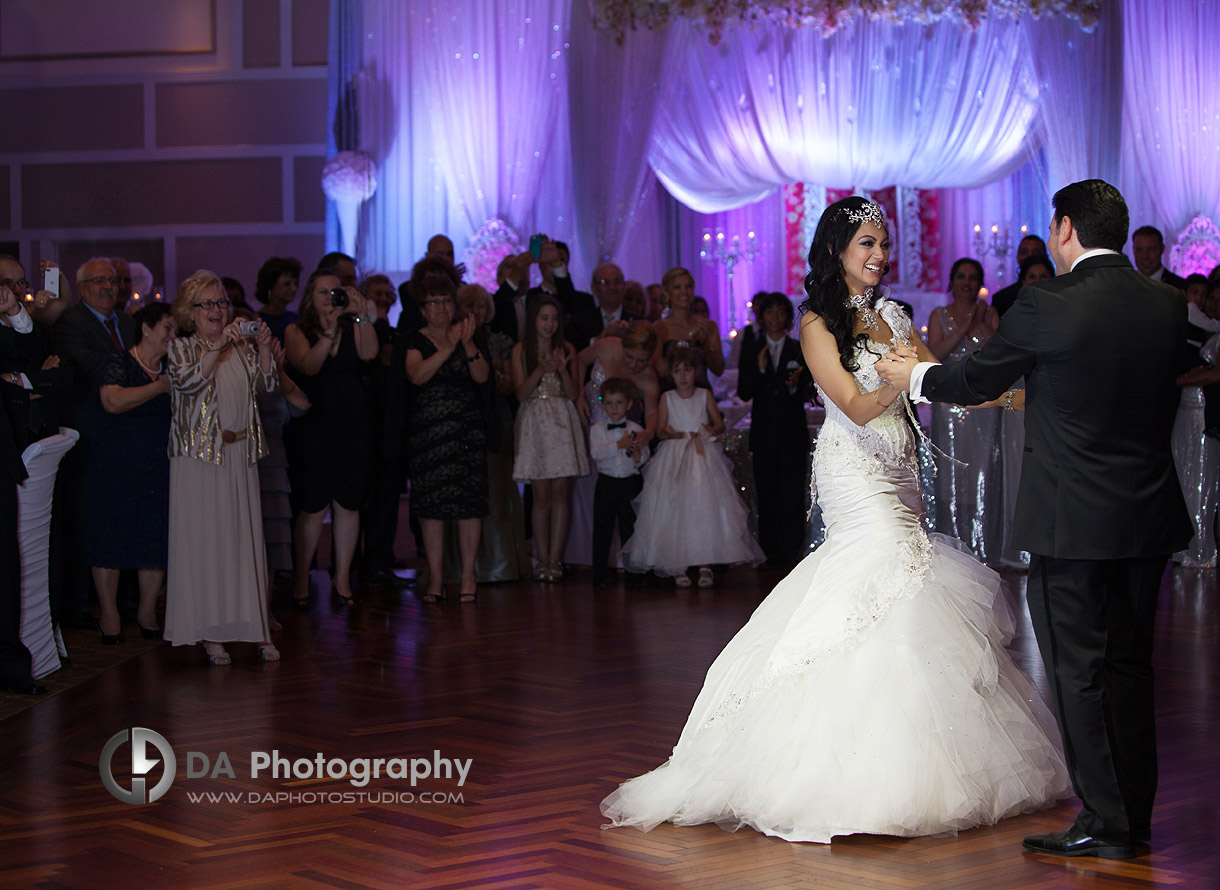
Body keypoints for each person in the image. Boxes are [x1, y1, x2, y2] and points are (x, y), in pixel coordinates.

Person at [603, 196, 1068, 843]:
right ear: (836, 252)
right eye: (866, 245)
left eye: (883, 244)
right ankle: (842, 774)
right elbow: (851, 404)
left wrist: (1021, 395)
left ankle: (906, 755)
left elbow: (947, 380)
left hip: (903, 471)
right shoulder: (818, 323)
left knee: (906, 589)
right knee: (885, 583)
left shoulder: (895, 315)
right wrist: (902, 379)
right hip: (856, 472)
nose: (879, 256)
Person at [877, 180, 1193, 859]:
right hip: (1148, 512)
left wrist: (915, 374)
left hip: (1070, 520)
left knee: (1078, 669)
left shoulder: (1048, 301)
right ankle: (1130, 817)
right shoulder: (1167, 303)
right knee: (1131, 666)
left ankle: (1105, 823)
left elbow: (973, 382)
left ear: (1065, 228)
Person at [164, 270, 279, 665]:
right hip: (199, 461)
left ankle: (254, 627)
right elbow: (190, 383)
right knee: (208, 545)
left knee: (242, 542)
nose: (217, 310)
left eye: (221, 303)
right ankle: (211, 634)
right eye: (208, 304)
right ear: (190, 312)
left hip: (240, 458)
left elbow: (267, 386)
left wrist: (262, 348)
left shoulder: (243, 348)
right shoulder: (180, 349)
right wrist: (217, 347)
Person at [618, 346, 764, 586]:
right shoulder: (667, 398)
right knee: (673, 508)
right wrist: (669, 433)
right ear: (671, 375)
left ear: (695, 371)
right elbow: (661, 429)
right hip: (674, 456)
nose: (683, 376)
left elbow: (719, 424)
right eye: (678, 371)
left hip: (701, 455)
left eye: (687, 370)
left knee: (702, 508)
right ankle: (677, 563)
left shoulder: (704, 394)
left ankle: (705, 562)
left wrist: (710, 430)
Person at [285, 269, 378, 608]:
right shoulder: (297, 330)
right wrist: (328, 331)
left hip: (351, 426)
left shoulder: (354, 326)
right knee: (312, 506)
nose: (329, 298)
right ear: (310, 297)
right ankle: (301, 580)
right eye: (322, 292)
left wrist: (362, 314)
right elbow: (308, 367)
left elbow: (369, 355)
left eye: (334, 292)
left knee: (348, 504)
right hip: (313, 428)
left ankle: (342, 580)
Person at [87, 302, 176, 643]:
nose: (172, 335)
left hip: (159, 464)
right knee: (112, 534)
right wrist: (157, 388)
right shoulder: (119, 361)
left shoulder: (173, 367)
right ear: (146, 328)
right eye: (167, 327)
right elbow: (112, 401)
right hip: (116, 465)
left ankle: (147, 611)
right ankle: (109, 613)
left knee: (153, 537)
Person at [404, 273, 490, 603]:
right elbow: (417, 375)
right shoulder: (414, 340)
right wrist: (449, 345)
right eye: (434, 302)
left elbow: (482, 377)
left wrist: (466, 344)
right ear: (423, 309)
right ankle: (436, 578)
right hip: (430, 434)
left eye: (446, 301)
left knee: (469, 504)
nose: (441, 307)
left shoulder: (469, 335)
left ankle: (468, 576)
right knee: (432, 507)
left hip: (467, 432)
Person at [925, 257, 1003, 563]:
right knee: (952, 474)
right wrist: (966, 328)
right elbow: (935, 355)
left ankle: (983, 546)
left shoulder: (990, 313)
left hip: (985, 403)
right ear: (952, 280)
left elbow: (1000, 353)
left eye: (972, 277)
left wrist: (982, 324)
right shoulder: (939, 315)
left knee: (984, 472)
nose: (966, 282)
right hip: (950, 403)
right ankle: (954, 547)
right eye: (961, 276)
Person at [510, 294, 589, 582]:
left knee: (561, 494)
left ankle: (555, 558)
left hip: (562, 421)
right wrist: (541, 370)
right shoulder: (521, 350)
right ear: (533, 320)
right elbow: (520, 394)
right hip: (535, 422)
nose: (549, 324)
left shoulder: (566, 348)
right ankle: (541, 557)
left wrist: (562, 368)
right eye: (544, 318)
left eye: (554, 318)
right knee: (540, 495)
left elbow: (571, 392)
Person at [736, 292, 813, 568]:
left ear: (788, 318)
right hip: (764, 433)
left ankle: (792, 552)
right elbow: (744, 391)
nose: (775, 318)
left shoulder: (797, 347)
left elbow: (810, 392)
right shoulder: (751, 347)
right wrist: (758, 370)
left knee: (792, 494)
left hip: (792, 433)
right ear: (762, 315)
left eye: (781, 312)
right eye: (770, 312)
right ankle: (769, 553)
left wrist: (796, 384)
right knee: (766, 493)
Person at [588, 377, 648, 589]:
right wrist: (618, 445)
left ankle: (633, 575)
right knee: (602, 530)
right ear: (603, 405)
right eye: (610, 403)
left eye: (619, 402)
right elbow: (596, 453)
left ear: (629, 404)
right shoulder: (597, 429)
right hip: (606, 484)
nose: (614, 408)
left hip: (629, 483)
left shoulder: (635, 427)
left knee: (630, 530)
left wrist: (638, 453)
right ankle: (599, 577)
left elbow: (643, 460)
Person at [653, 267, 724, 383]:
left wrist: (706, 344)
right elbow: (658, 372)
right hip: (670, 395)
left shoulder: (708, 326)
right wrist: (687, 343)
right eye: (677, 287)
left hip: (701, 394)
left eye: (688, 286)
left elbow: (718, 370)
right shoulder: (658, 328)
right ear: (667, 292)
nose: (684, 292)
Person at [253, 257, 302, 343]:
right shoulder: (257, 320)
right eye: (287, 284)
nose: (294, 289)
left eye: (295, 283)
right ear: (271, 286)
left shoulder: (295, 318)